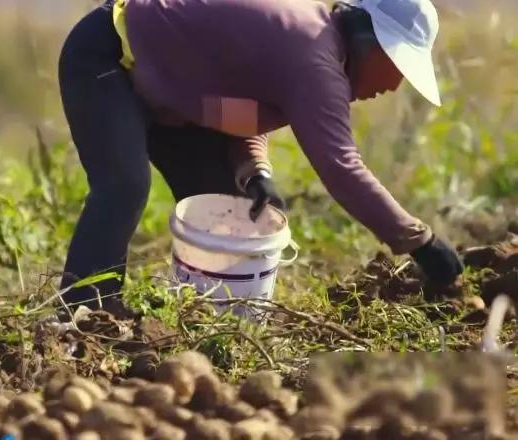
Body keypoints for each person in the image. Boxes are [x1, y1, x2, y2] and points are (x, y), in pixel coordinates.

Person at [56, 0, 464, 314]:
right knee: (124, 185)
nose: (394, 85)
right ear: (369, 42)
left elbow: (245, 104)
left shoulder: (315, 39)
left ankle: (211, 317)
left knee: (231, 210)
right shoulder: (316, 61)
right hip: (108, 57)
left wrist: (256, 172)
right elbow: (342, 167)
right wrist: (420, 240)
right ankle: (83, 314)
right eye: (397, 66)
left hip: (166, 95)